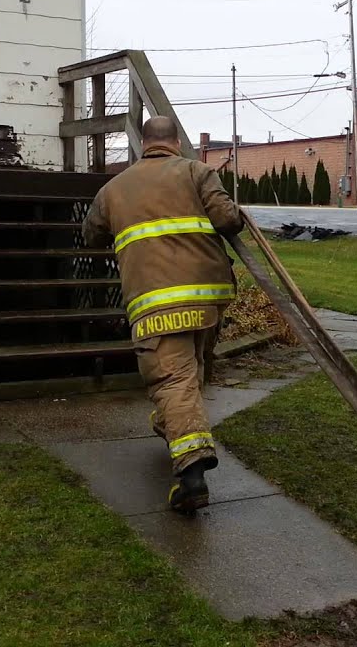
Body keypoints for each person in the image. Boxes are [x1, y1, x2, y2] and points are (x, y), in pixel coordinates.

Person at [81, 116, 244, 513]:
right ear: (175, 142)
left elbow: (91, 235)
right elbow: (228, 219)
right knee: (189, 372)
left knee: (173, 380)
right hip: (207, 298)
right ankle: (172, 423)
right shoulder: (197, 172)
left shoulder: (113, 189)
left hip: (155, 302)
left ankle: (192, 474)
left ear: (143, 144)